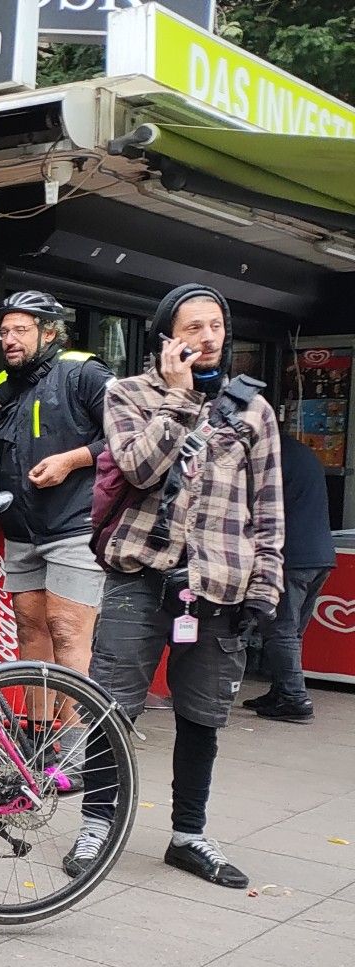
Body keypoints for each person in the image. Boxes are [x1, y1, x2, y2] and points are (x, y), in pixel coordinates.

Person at [78, 284, 282, 890]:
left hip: (221, 582)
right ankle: (97, 826)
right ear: (166, 338)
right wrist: (178, 398)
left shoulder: (254, 410)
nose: (209, 336)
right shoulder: (127, 394)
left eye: (216, 325)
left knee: (203, 715)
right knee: (110, 707)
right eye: (193, 327)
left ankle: (189, 836)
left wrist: (266, 586)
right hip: (140, 574)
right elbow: (140, 468)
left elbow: (268, 506)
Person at [0, 291, 111, 754]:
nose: (8, 339)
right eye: (3, 331)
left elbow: (130, 436)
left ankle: (80, 746)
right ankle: (39, 739)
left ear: (49, 332)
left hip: (74, 526)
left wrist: (73, 459)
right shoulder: (8, 379)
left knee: (67, 632)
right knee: (30, 630)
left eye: (20, 330)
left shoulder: (85, 373)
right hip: (22, 529)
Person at [245, 432, 333, 723]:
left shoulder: (271, 457)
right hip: (319, 554)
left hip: (290, 557)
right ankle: (281, 691)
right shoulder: (303, 453)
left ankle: (295, 698)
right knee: (293, 632)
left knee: (280, 629)